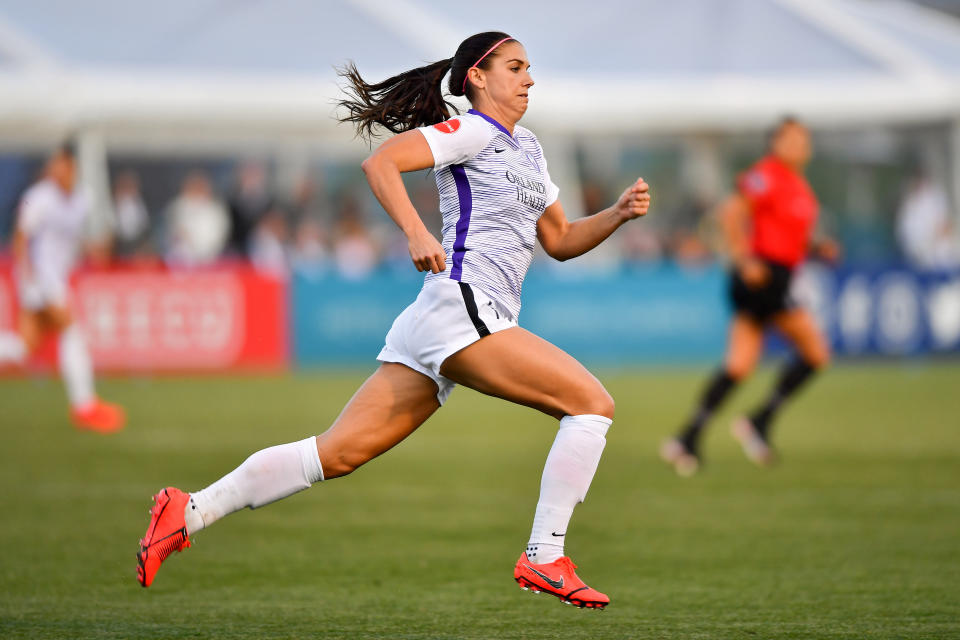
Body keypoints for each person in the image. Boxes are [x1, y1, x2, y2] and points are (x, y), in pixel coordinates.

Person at [135, 31, 651, 609]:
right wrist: (415, 231)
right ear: (477, 77)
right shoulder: (473, 130)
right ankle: (545, 555)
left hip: (445, 314)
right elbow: (381, 163)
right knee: (591, 404)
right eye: (515, 67)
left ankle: (190, 510)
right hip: (463, 304)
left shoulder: (527, 146)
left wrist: (617, 213)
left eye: (530, 68)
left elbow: (558, 240)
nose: (529, 78)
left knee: (335, 455)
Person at [660, 118, 835, 476]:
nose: (801, 146)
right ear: (776, 143)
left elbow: (789, 237)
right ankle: (757, 422)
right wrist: (744, 259)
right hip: (760, 278)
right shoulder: (765, 175)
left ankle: (689, 438)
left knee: (739, 365)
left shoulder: (800, 188)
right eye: (793, 139)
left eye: (804, 139)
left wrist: (819, 247)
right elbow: (731, 214)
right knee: (815, 353)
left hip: (778, 279)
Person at [0, 144, 126, 432]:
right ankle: (84, 406)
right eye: (53, 165)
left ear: (72, 168)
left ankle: (85, 405)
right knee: (72, 330)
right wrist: (28, 280)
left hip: (57, 278)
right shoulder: (39, 197)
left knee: (24, 347)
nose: (55, 171)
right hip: (39, 280)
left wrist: (90, 250)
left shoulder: (82, 198)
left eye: (61, 165)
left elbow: (71, 239)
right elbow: (20, 238)